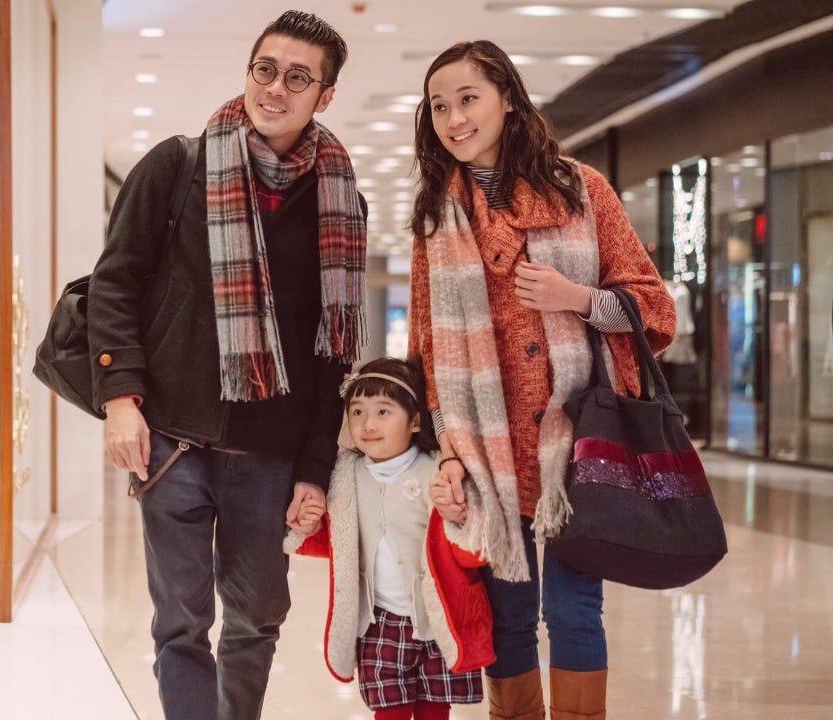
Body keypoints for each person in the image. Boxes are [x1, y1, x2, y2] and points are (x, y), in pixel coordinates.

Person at [87, 10, 366, 719]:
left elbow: (335, 352)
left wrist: (314, 469)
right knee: (180, 625)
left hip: (270, 455)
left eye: (298, 78)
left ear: (324, 96)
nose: (275, 88)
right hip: (174, 440)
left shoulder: (339, 199)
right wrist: (121, 396)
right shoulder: (177, 165)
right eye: (264, 69)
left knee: (255, 619)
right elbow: (115, 283)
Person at [408, 41, 676, 719]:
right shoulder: (437, 217)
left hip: (578, 447)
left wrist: (576, 297)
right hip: (487, 452)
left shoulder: (583, 191)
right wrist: (446, 451)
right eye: (439, 105)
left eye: (468, 98)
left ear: (507, 98)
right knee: (507, 618)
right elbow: (429, 352)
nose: (454, 117)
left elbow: (655, 310)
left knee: (575, 610)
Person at [285, 356, 492, 720]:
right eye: (358, 411)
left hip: (435, 618)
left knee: (435, 711)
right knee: (388, 712)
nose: (368, 424)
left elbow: (473, 551)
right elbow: (336, 541)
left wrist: (458, 516)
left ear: (414, 421)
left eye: (383, 412)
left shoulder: (436, 472)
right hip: (379, 622)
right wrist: (309, 524)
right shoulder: (344, 476)